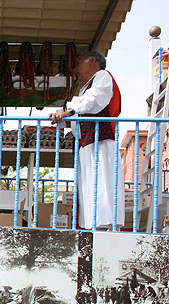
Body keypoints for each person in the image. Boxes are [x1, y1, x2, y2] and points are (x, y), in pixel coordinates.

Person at [49, 51, 124, 230]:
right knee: (90, 189)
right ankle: (94, 226)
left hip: (101, 142)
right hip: (88, 144)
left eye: (79, 63)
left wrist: (70, 112)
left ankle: (105, 226)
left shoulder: (102, 77)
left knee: (102, 186)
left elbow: (95, 99)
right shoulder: (86, 86)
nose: (76, 69)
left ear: (91, 62)